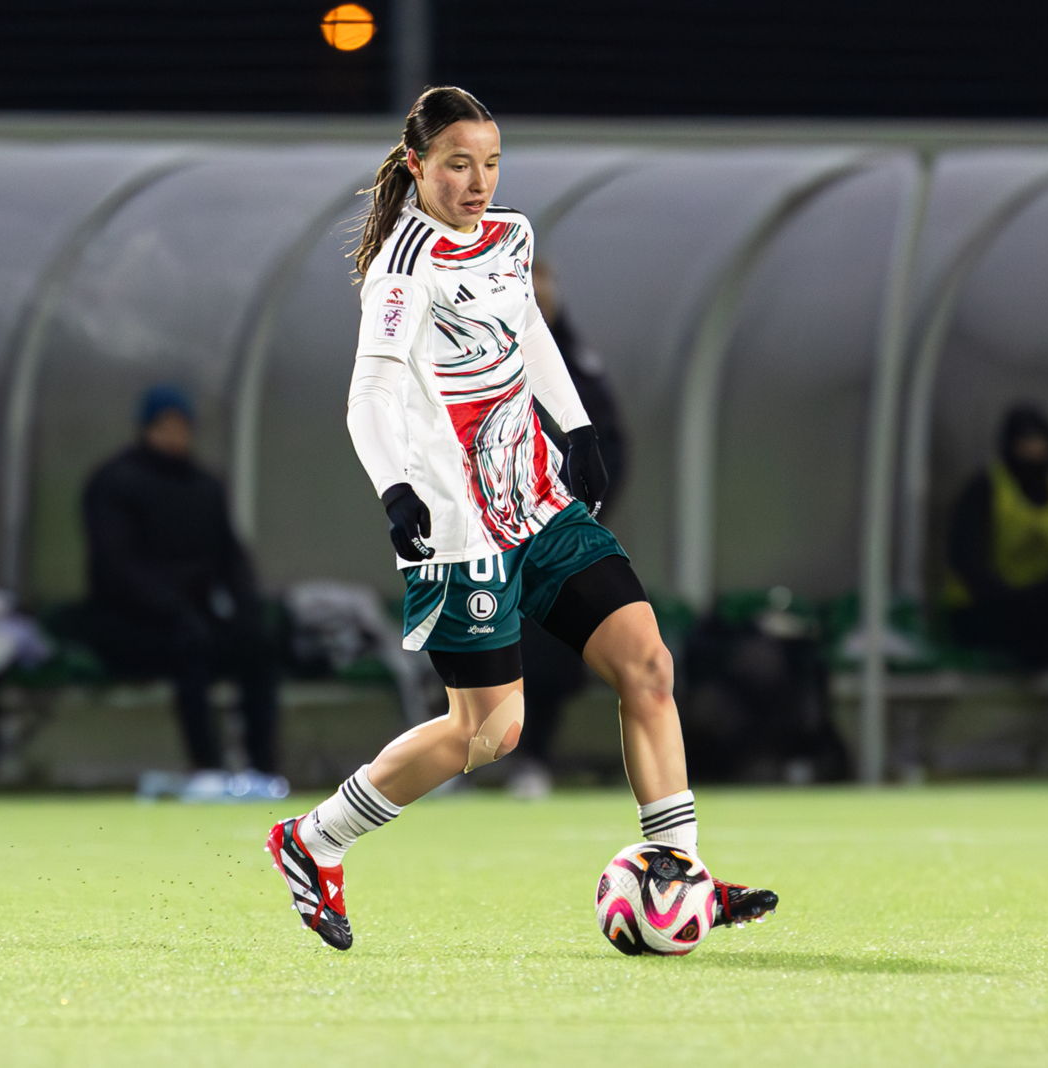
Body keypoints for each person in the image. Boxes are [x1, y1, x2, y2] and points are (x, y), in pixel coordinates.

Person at [265, 87, 776, 951]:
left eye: (491, 163)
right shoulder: (401, 267)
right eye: (458, 164)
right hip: (460, 525)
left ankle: (679, 871)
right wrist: (397, 492)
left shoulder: (512, 234)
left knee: (648, 667)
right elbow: (368, 399)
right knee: (490, 733)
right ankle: (312, 842)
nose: (477, 181)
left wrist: (572, 424)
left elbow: (528, 326)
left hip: (538, 500)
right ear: (418, 166)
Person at [81, 384, 286, 801]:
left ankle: (262, 771)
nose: (173, 436)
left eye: (181, 427)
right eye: (164, 426)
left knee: (256, 647)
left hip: (197, 613)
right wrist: (171, 607)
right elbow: (115, 566)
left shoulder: (204, 486)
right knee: (188, 647)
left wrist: (244, 609)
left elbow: (230, 557)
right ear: (146, 428)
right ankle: (207, 770)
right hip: (128, 621)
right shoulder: (114, 483)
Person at [509, 260, 628, 800]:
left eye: (544, 280)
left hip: (563, 531)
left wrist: (584, 510)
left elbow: (612, 445)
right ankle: (469, 756)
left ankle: (533, 756)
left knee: (555, 645)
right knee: (480, 646)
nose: (538, 291)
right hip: (494, 530)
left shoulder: (576, 360)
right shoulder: (478, 353)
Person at [942, 405, 1048, 755]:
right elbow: (966, 559)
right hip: (980, 611)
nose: (1034, 452)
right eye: (1026, 444)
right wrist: (1014, 599)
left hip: (1043, 611)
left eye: (1041, 443)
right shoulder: (986, 489)